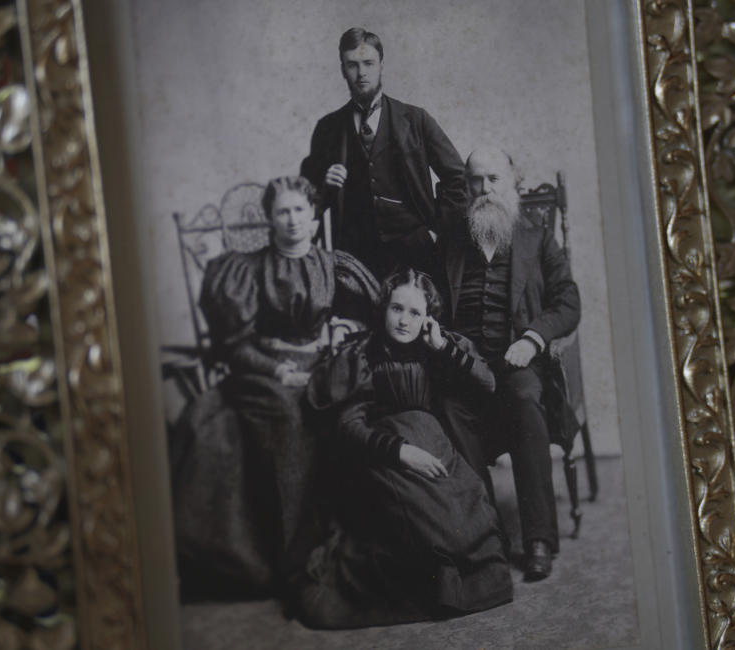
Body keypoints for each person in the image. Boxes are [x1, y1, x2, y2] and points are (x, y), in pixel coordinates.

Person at [169, 176, 378, 597]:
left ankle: (356, 540)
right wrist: (279, 371)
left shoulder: (332, 264)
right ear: (269, 219)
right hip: (264, 370)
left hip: (322, 362)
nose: (293, 220)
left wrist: (343, 327)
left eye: (300, 210)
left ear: (315, 218)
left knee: (354, 407)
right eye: (283, 212)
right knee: (289, 414)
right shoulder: (248, 269)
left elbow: (375, 313)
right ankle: (292, 557)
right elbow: (236, 346)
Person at [295, 269, 512, 628]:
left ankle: (456, 584)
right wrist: (401, 452)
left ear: (428, 317)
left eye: (415, 313)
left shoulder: (436, 347)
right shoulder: (364, 353)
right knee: (431, 533)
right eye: (397, 308)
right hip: (385, 456)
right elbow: (348, 426)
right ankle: (441, 588)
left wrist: (442, 347)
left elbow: (488, 383)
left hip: (438, 448)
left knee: (467, 524)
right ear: (383, 308)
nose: (404, 320)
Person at [440, 147, 581, 581]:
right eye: (475, 182)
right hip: (464, 367)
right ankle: (486, 536)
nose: (484, 190)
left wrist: (535, 338)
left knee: (523, 398)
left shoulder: (535, 235)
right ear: (466, 187)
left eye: (494, 180)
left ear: (513, 182)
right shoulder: (450, 239)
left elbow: (568, 301)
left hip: (518, 362)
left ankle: (538, 538)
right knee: (446, 407)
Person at [300, 27, 467, 282]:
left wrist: (435, 231)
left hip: (415, 249)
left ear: (381, 66)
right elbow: (305, 198)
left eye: (369, 63)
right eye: (352, 65)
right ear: (342, 69)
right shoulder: (328, 128)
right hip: (354, 254)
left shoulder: (415, 119)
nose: (361, 72)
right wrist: (324, 184)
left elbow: (459, 179)